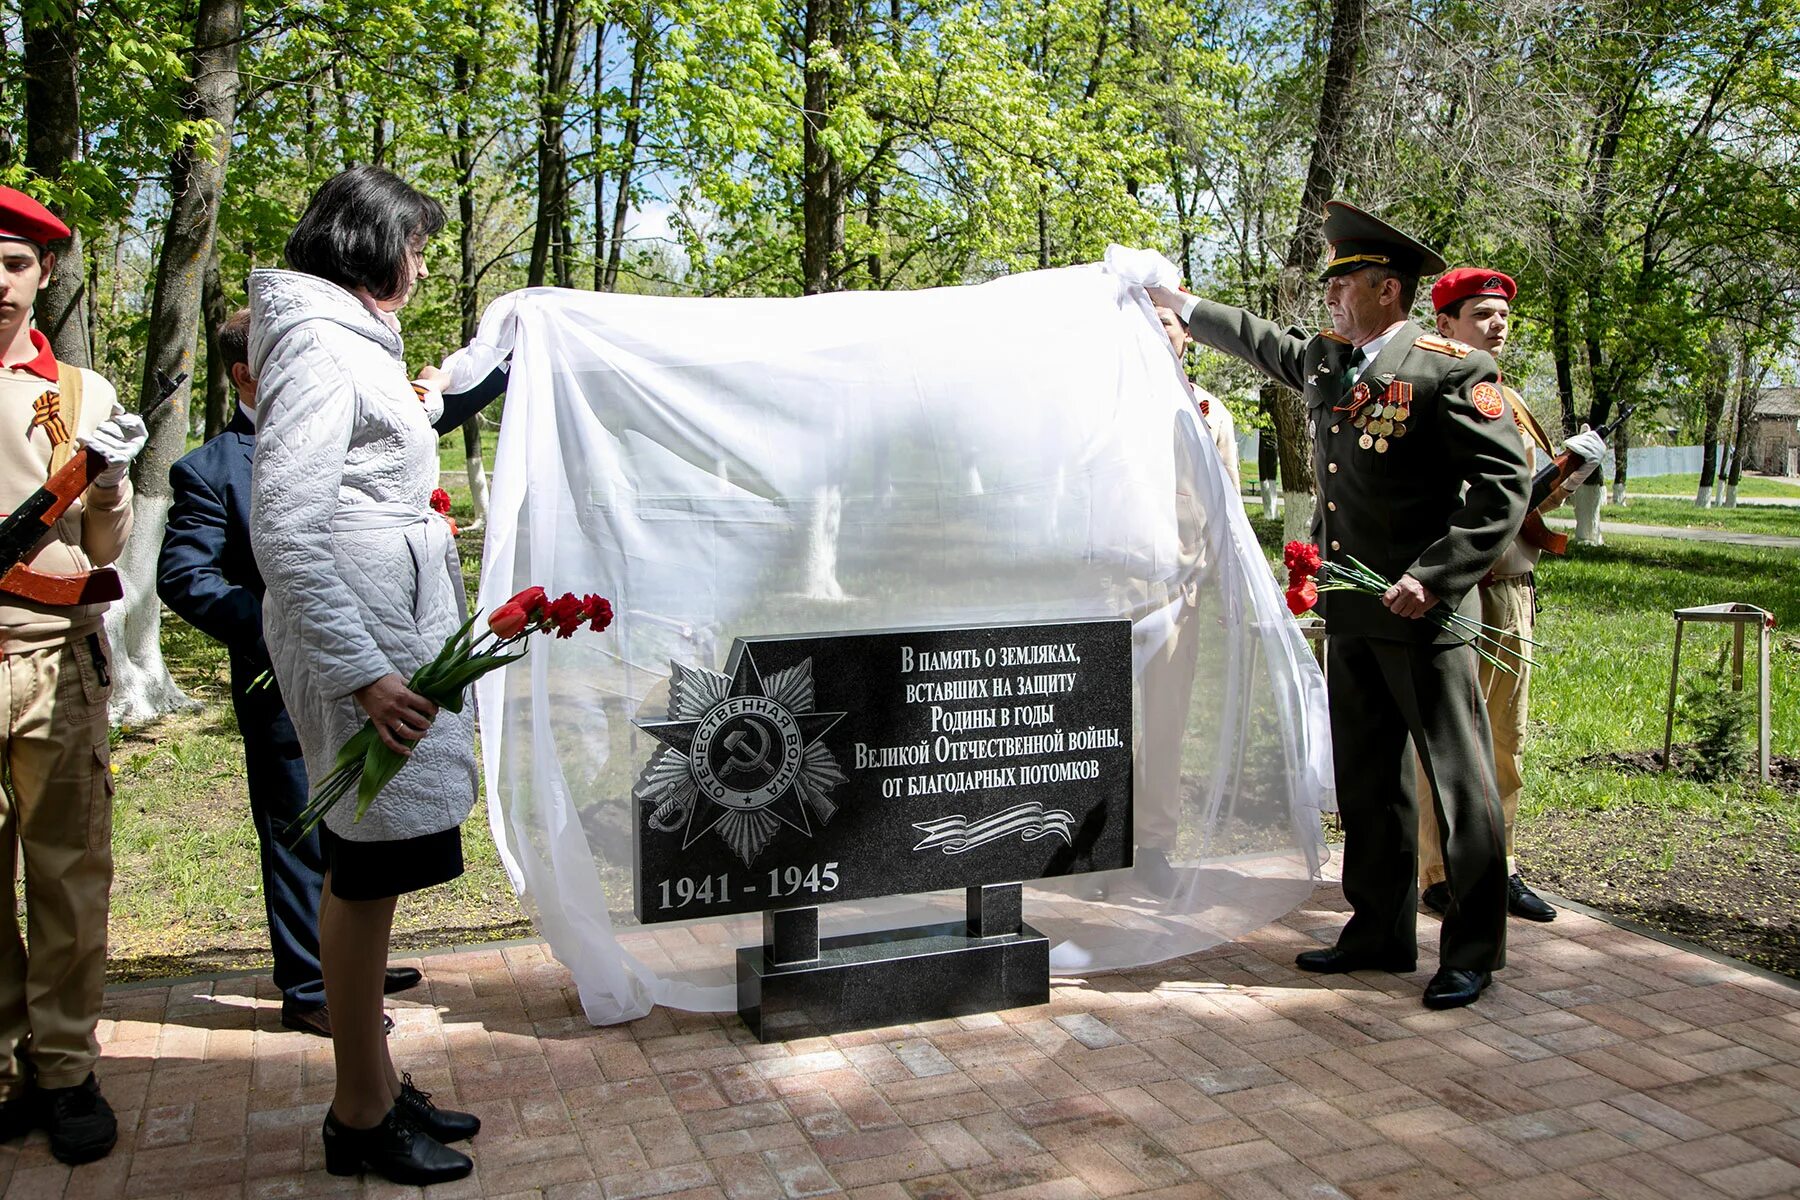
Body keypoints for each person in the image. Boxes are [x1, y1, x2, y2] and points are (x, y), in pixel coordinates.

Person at [1147, 200, 1530, 1010]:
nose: (1331, 299)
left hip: (1424, 611)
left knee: (1458, 787)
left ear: (1388, 290)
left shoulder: (1448, 369)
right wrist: (1178, 303)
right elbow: (1263, 342)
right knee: (1368, 782)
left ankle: (1472, 948)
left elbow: (1504, 487)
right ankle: (1379, 932)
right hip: (1354, 611)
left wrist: (1436, 575)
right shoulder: (1330, 364)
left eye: (1345, 283)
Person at [249, 165, 480, 1185]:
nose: (424, 268)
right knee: (364, 873)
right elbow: (289, 529)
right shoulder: (315, 343)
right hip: (367, 652)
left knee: (384, 871)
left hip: (394, 629)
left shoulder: (350, 341)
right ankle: (357, 1112)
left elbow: (368, 462)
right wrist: (367, 674)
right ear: (371, 246)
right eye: (417, 248)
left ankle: (377, 1075)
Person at [157, 309, 440, 1039]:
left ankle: (354, 958)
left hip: (374, 676)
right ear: (247, 374)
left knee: (363, 826)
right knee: (297, 831)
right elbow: (184, 578)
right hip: (283, 683)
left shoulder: (342, 433)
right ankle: (310, 982)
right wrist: (285, 633)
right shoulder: (210, 468)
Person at [0, 186, 148, 1163]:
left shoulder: (82, 395)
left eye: (14, 262)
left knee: (65, 875)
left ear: (45, 272)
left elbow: (107, 540)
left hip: (57, 660)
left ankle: (61, 1065)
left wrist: (107, 484)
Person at [1415, 269, 1604, 923]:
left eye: (1502, 315)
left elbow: (1523, 508)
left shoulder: (1509, 401)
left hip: (1513, 587)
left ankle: (1500, 866)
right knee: (1448, 739)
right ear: (1445, 325)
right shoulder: (1429, 396)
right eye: (1480, 314)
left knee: (1505, 739)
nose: (1497, 324)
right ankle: (1439, 872)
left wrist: (1566, 475)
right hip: (1458, 593)